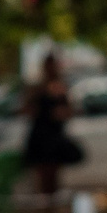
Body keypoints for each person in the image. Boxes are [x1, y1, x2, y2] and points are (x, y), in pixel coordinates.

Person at [21, 49, 84, 199]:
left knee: (53, 177)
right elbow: (27, 110)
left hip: (54, 136)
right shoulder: (37, 88)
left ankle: (50, 207)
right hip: (41, 136)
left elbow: (69, 110)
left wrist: (60, 112)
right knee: (42, 178)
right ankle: (46, 208)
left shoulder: (61, 87)